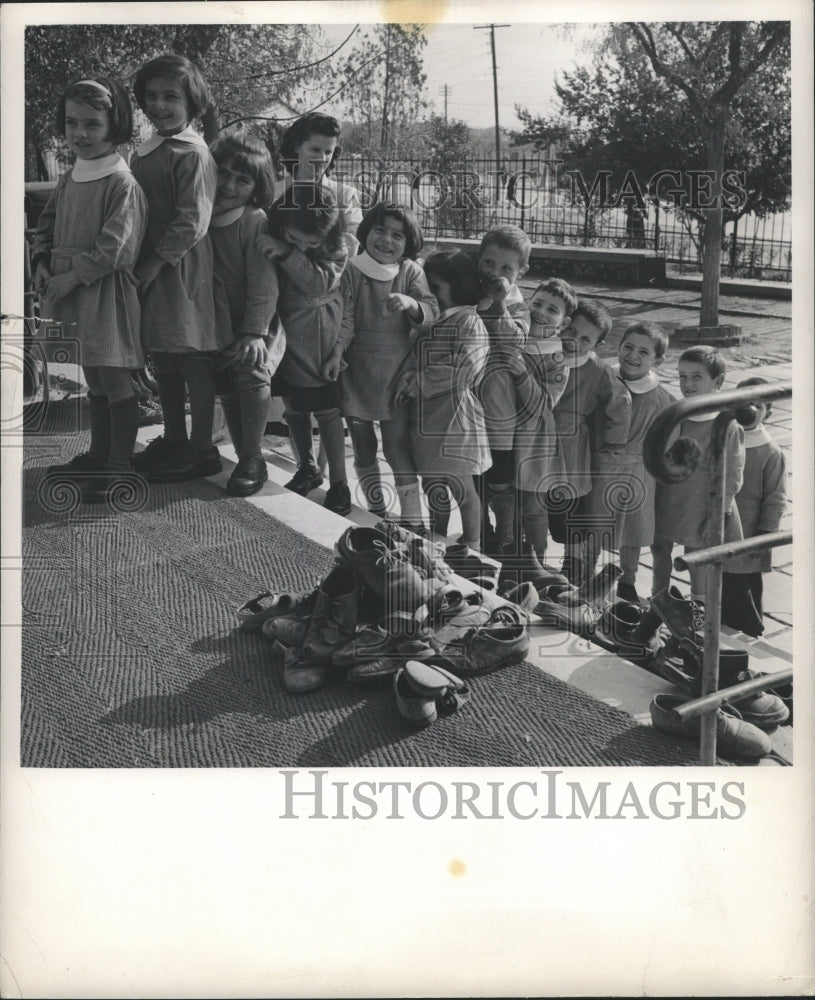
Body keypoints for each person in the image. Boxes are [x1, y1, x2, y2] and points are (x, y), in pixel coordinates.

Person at [33, 76, 148, 503]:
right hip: (72, 289)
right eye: (71, 123)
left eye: (91, 125)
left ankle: (121, 468)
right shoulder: (69, 178)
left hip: (103, 293)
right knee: (94, 381)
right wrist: (43, 263)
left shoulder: (122, 183)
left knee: (117, 381)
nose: (79, 134)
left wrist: (71, 276)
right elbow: (45, 226)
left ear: (113, 124)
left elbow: (115, 247)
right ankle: (100, 454)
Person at [130, 54, 226, 483]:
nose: (160, 105)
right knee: (164, 358)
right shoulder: (146, 152)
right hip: (151, 268)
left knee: (190, 359)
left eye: (171, 96)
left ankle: (202, 449)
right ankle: (173, 436)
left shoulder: (192, 153)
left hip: (181, 271)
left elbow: (193, 220)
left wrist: (154, 263)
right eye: (151, 97)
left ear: (192, 102)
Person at [340, 202, 439, 527]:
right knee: (363, 444)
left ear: (408, 243)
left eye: (397, 235)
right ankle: (375, 507)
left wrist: (411, 303)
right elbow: (345, 317)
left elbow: (430, 310)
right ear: (366, 231)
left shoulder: (410, 271)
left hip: (396, 371)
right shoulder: (352, 269)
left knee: (396, 446)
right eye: (380, 230)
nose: (386, 240)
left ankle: (412, 517)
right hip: (356, 371)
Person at [261, 183, 352, 515]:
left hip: (318, 333)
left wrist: (287, 252)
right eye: (293, 238)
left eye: (309, 243)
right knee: (294, 406)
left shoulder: (338, 246)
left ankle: (340, 483)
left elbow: (318, 283)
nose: (300, 245)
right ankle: (307, 467)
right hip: (285, 331)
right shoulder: (278, 233)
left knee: (327, 411)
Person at [208, 130, 279, 497]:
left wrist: (255, 331)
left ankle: (253, 457)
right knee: (227, 387)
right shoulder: (202, 214)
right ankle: (243, 454)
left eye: (243, 179)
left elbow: (264, 282)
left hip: (254, 320)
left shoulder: (253, 220)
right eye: (223, 173)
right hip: (217, 320)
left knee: (250, 374)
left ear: (257, 185)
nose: (230, 185)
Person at [583, 321, 675, 602]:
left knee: (634, 531)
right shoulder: (601, 382)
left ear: (657, 360)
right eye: (628, 347)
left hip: (638, 473)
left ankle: (628, 579)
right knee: (594, 526)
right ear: (619, 347)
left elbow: (669, 439)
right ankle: (584, 575)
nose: (633, 356)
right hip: (600, 466)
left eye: (644, 352)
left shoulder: (663, 400)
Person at [408, 250, 491, 548]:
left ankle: (473, 547)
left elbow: (465, 368)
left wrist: (420, 381)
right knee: (432, 485)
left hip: (457, 419)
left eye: (436, 288)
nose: (431, 294)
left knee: (462, 488)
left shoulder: (469, 321)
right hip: (429, 416)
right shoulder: (434, 321)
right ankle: (438, 536)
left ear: (459, 286)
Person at [652, 345, 745, 604]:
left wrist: (718, 515)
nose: (687, 384)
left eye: (696, 377)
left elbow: (732, 476)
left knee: (697, 558)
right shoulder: (675, 413)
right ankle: (659, 603)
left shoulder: (726, 425)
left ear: (718, 381)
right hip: (668, 498)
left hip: (700, 504)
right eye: (682, 376)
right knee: (660, 550)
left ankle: (699, 608)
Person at [548, 299, 630, 584]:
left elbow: (619, 405)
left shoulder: (598, 371)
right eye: (571, 332)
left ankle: (573, 563)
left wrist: (613, 442)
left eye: (586, 339)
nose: (575, 342)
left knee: (568, 506)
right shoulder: (546, 353)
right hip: (536, 438)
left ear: (598, 344)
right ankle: (530, 554)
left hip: (571, 446)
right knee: (534, 501)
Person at [472, 225, 532, 555]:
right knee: (473, 478)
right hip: (467, 406)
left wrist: (499, 304)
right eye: (488, 264)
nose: (495, 273)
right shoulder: (469, 295)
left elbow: (515, 339)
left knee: (499, 479)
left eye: (506, 268)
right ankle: (480, 532)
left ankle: (507, 537)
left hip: (499, 410)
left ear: (520, 273)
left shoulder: (519, 307)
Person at [509, 278, 574, 575]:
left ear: (564, 322)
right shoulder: (515, 336)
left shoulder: (557, 356)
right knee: (503, 496)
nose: (541, 312)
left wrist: (522, 373)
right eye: (537, 304)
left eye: (552, 309)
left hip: (534, 438)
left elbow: (544, 402)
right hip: (503, 430)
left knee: (533, 505)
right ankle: (508, 553)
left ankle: (537, 562)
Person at [720, 377, 787, 636]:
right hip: (722, 515)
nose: (748, 410)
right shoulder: (725, 437)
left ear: (767, 413)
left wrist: (766, 533)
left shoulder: (770, 452)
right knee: (720, 575)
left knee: (744, 579)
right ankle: (723, 620)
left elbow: (776, 497)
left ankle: (750, 626)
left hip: (749, 525)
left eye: (756, 406)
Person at [273, 111, 362, 237]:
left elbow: (351, 243)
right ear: (296, 147)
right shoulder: (273, 193)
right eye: (315, 149)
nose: (322, 158)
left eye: (328, 152)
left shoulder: (346, 196)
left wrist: (292, 253)